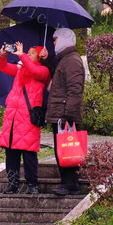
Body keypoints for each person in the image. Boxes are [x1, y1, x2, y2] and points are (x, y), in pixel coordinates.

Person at [0, 41, 50, 195]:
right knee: (11, 152)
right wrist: (3, 54)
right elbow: (4, 67)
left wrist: (22, 56)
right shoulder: (21, 69)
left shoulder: (43, 71)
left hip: (28, 117)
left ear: (39, 57)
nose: (28, 54)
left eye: (32, 52)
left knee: (29, 153)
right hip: (13, 117)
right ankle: (12, 184)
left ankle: (32, 184)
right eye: (28, 51)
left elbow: (35, 71)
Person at [45, 27, 86, 196]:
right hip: (61, 113)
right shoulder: (65, 60)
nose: (53, 42)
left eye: (55, 39)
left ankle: (70, 184)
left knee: (67, 150)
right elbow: (58, 80)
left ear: (64, 39)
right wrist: (47, 61)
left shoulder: (72, 61)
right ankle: (67, 183)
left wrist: (69, 114)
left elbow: (74, 89)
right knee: (62, 149)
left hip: (64, 115)